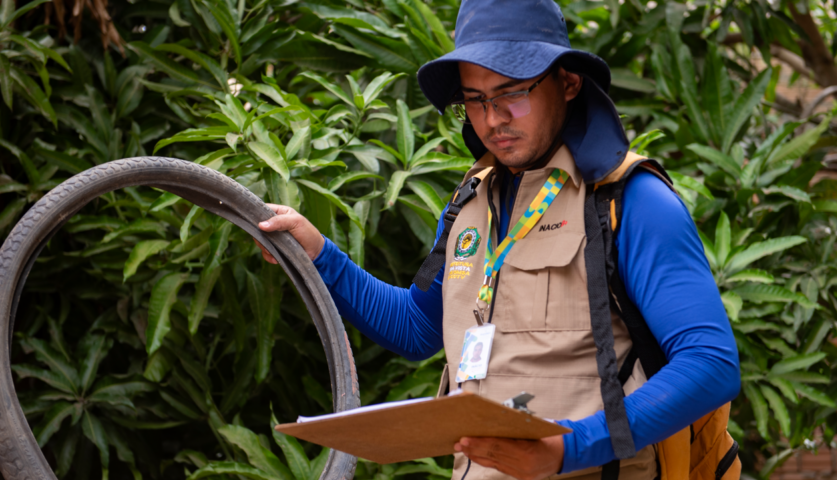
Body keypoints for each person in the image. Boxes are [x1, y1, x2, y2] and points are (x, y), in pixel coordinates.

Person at [256, 1, 741, 479]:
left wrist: (569, 448)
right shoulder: (472, 203)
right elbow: (416, 329)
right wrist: (318, 255)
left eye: (513, 93)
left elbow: (710, 363)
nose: (492, 120)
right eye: (475, 99)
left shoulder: (630, 201)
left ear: (568, 82)